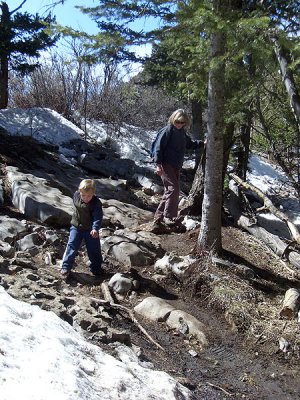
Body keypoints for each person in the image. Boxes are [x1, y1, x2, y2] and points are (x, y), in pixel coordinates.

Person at [152, 109, 204, 224]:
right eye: (177, 121)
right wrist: (158, 165)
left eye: (182, 122)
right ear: (173, 119)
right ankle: (168, 216)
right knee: (173, 189)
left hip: (176, 165)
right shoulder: (167, 130)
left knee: (169, 191)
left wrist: (203, 143)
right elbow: (158, 148)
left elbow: (190, 144)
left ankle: (158, 217)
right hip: (166, 164)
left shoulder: (182, 133)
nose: (179, 124)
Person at [61, 179, 103, 279]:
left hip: (90, 230)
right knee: (72, 245)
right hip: (76, 227)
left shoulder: (96, 203)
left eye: (89, 196)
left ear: (94, 193)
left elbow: (97, 217)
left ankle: (96, 268)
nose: (86, 198)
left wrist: (95, 228)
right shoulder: (76, 195)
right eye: (83, 195)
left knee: (94, 248)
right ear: (79, 191)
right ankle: (66, 267)